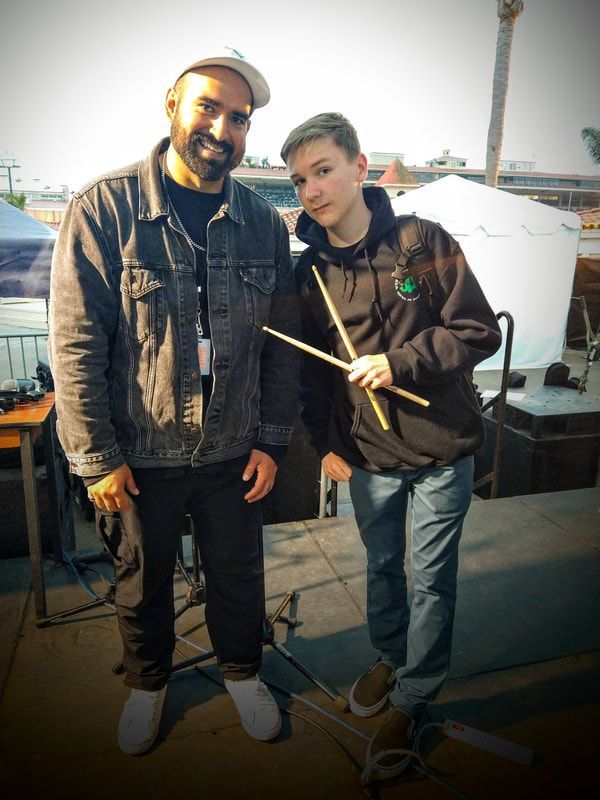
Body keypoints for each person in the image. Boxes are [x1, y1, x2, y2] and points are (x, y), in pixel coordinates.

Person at [49, 51, 300, 755]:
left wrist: (273, 442)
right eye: (207, 108)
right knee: (141, 579)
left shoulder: (262, 224)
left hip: (233, 445)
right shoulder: (104, 207)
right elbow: (73, 344)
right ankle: (148, 683)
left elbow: (281, 348)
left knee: (239, 574)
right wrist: (96, 457)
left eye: (239, 118)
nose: (222, 128)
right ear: (171, 105)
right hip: (139, 447)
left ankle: (243, 672)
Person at [280, 113, 502, 779]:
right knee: (382, 568)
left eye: (323, 170)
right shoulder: (309, 272)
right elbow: (315, 372)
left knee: (432, 580)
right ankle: (388, 655)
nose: (311, 189)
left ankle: (414, 696)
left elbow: (478, 330)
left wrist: (398, 362)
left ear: (360, 167)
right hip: (367, 454)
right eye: (298, 180)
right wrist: (323, 442)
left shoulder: (420, 240)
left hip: (443, 449)